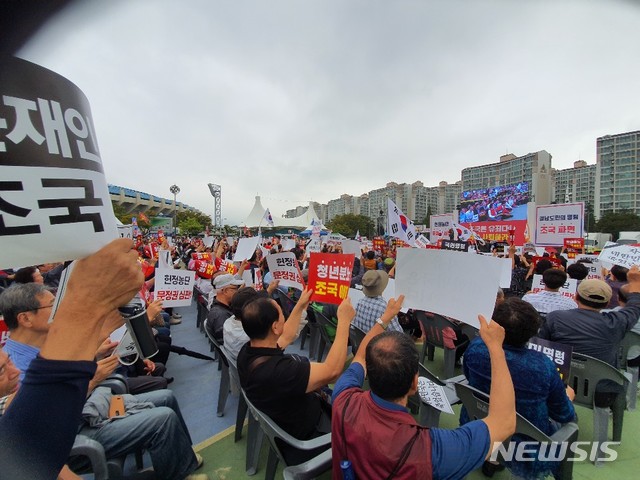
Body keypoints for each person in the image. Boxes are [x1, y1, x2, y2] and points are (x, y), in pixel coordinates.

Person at [0, 241, 207, 480]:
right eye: (51, 305)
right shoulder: (14, 363)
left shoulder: (36, 347)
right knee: (162, 420)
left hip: (93, 403)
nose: (58, 309)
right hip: (76, 432)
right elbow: (41, 426)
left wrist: (96, 355)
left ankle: (182, 459)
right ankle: (180, 472)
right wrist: (93, 378)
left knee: (166, 397)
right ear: (26, 319)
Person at [332, 295, 516, 479]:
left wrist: (385, 317)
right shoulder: (432, 449)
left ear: (369, 374)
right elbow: (505, 423)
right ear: (414, 384)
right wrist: (495, 348)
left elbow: (360, 357)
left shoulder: (343, 398)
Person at [462, 298, 576, 479]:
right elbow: (563, 414)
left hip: (478, 421)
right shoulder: (543, 366)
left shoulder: (476, 347)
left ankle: (493, 460)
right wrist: (568, 396)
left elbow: (468, 376)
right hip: (524, 441)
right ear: (532, 332)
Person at [237, 289, 354, 463]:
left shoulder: (248, 353)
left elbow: (286, 336)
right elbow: (333, 370)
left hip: (288, 420)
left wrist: (300, 305)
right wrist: (344, 322)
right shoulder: (282, 372)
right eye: (281, 312)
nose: (284, 315)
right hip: (311, 435)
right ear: (275, 327)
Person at [539, 268, 640, 408]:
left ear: (575, 297)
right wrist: (635, 282)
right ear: (607, 303)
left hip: (558, 383)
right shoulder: (616, 322)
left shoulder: (555, 318)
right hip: (603, 390)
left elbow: (541, 347)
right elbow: (634, 308)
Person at [205, 274, 243, 343]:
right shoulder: (221, 315)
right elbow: (229, 342)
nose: (237, 291)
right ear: (225, 291)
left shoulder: (221, 308)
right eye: (236, 288)